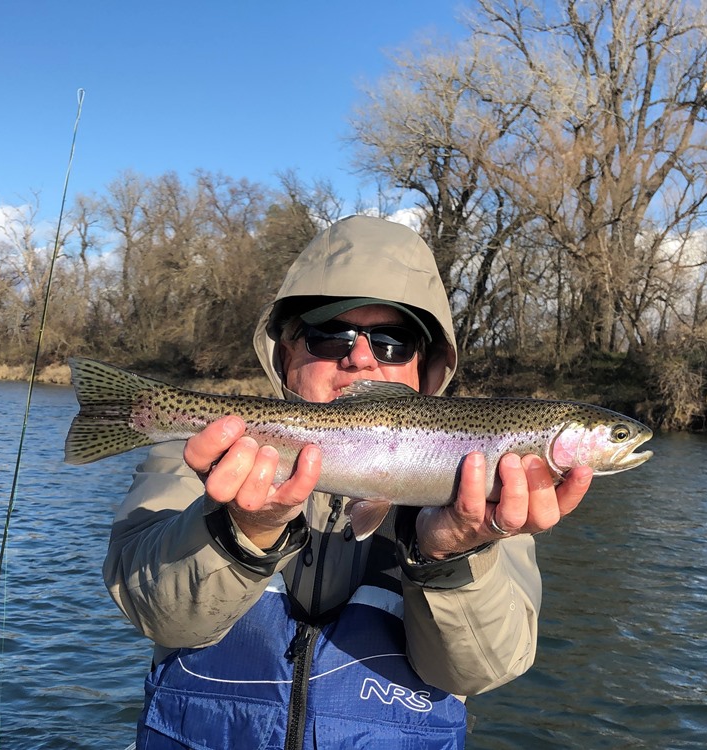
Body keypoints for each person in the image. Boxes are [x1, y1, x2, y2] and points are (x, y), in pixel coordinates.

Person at [104, 215, 593, 749]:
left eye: (392, 342)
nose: (360, 358)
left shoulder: (499, 496)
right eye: (330, 335)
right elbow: (157, 615)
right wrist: (243, 531)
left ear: (425, 366)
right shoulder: (203, 456)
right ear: (286, 353)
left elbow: (477, 673)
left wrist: (452, 554)